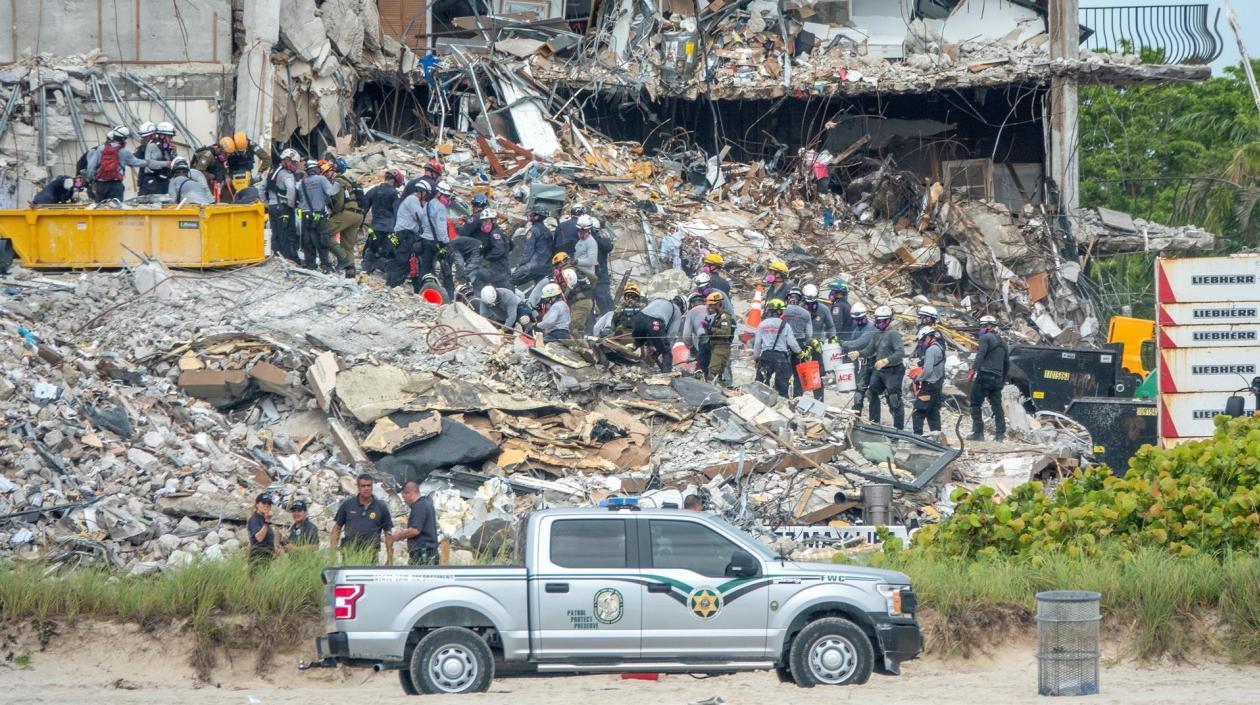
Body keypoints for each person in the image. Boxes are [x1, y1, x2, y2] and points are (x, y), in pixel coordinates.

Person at [851, 305, 905, 430]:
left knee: (894, 398)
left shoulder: (893, 334)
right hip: (880, 371)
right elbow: (870, 349)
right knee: (871, 392)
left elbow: (900, 352)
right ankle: (874, 423)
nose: (877, 323)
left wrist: (887, 360)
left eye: (880, 321)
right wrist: (859, 353)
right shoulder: (877, 333)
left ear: (887, 321)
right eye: (877, 321)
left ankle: (898, 429)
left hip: (894, 370)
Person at [329, 473, 394, 561]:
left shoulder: (381, 507)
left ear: (372, 487)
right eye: (363, 486)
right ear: (358, 488)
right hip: (349, 551)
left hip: (371, 552)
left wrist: (390, 558)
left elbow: (388, 533)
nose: (366, 488)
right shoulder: (348, 505)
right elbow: (337, 528)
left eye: (369, 485)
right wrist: (332, 554)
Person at [85, 126, 158, 202]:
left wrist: (90, 180)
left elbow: (91, 167)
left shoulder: (101, 149)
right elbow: (137, 162)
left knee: (99, 209)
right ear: (123, 139)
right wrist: (149, 162)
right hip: (116, 185)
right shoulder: (124, 152)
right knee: (116, 208)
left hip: (101, 185)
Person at [968, 315, 1009, 441]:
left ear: (989, 326)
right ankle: (1000, 435)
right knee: (997, 406)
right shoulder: (1003, 342)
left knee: (975, 403)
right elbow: (1006, 363)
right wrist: (1002, 380)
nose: (981, 328)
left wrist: (973, 370)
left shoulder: (985, 337)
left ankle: (978, 433)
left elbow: (981, 354)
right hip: (997, 378)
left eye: (983, 326)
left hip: (985, 375)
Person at [297, 159, 340, 272]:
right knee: (322, 240)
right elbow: (331, 192)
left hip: (305, 216)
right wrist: (337, 183)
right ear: (316, 169)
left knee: (308, 241)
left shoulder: (302, 183)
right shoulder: (321, 179)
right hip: (318, 216)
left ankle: (311, 265)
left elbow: (299, 199)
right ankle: (325, 266)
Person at [753, 298, 800, 396]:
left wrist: (756, 358)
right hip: (781, 357)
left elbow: (757, 344)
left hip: (766, 357)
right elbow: (792, 344)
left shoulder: (762, 324)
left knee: (760, 385)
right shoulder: (785, 325)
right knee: (782, 387)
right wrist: (799, 352)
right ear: (780, 311)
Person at [326, 159, 364, 278]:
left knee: (322, 232)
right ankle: (350, 272)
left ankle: (343, 259)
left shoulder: (338, 181)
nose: (326, 172)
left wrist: (333, 214)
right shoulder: (349, 181)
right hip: (358, 215)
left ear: (334, 169)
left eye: (329, 169)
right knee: (347, 245)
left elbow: (339, 202)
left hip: (347, 213)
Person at [362, 169, 403, 274]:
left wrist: (360, 223)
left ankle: (366, 270)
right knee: (392, 250)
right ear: (393, 181)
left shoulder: (373, 190)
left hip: (374, 228)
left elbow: (364, 208)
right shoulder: (395, 193)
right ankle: (386, 270)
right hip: (390, 230)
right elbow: (398, 213)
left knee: (371, 248)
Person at [265, 149, 301, 263]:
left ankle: (276, 257)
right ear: (286, 160)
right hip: (284, 208)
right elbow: (291, 189)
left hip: (272, 207)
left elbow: (261, 188)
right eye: (293, 162)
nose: (294, 165)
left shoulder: (272, 172)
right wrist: (291, 205)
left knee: (275, 234)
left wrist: (267, 203)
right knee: (288, 234)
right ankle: (289, 258)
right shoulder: (287, 175)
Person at [800, 284, 836, 400]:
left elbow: (831, 326)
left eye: (812, 303)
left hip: (818, 347)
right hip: (803, 347)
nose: (810, 306)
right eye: (808, 303)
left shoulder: (823, 310)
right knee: (800, 374)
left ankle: (819, 400)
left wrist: (832, 338)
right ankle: (798, 397)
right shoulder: (800, 309)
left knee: (817, 374)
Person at [389, 482, 439, 566]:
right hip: (427, 552)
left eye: (404, 497)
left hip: (423, 552)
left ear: (410, 493)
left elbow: (415, 530)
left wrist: (398, 535)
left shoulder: (419, 506)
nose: (404, 500)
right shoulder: (425, 504)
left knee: (420, 578)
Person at [390, 181, 429, 289]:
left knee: (409, 260)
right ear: (422, 192)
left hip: (404, 233)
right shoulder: (413, 199)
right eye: (426, 193)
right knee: (403, 260)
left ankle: (401, 284)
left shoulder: (411, 199)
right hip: (404, 234)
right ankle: (392, 285)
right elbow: (421, 217)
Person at [419, 180, 454, 294]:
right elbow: (441, 229)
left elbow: (423, 222)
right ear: (439, 193)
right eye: (446, 196)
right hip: (436, 243)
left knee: (425, 268)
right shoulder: (441, 208)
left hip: (425, 239)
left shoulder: (427, 204)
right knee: (445, 268)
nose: (447, 199)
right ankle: (449, 293)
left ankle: (422, 290)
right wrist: (447, 243)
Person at [842, 302, 876, 416]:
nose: (857, 321)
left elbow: (861, 342)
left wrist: (844, 343)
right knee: (859, 390)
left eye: (859, 319)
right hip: (862, 364)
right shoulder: (857, 329)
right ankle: (856, 414)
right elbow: (853, 344)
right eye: (855, 319)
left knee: (872, 392)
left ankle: (874, 418)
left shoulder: (871, 328)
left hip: (873, 363)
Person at [634, 295, 685, 372]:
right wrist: (661, 349)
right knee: (666, 351)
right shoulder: (677, 310)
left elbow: (647, 321)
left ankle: (631, 365)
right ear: (681, 306)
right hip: (655, 322)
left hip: (639, 318)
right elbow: (672, 335)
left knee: (638, 343)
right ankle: (666, 374)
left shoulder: (659, 300)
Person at [912, 327, 945, 436]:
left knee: (918, 412)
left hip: (929, 386)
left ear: (928, 337)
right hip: (937, 385)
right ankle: (937, 437)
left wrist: (918, 378)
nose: (923, 343)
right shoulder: (940, 348)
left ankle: (917, 437)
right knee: (933, 412)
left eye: (923, 340)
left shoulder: (931, 350)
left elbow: (927, 370)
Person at [783, 288, 814, 397]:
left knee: (785, 371)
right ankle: (798, 396)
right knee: (799, 373)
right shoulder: (806, 313)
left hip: (784, 343)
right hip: (800, 344)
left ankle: (783, 395)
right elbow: (809, 334)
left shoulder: (783, 310)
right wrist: (808, 345)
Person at [514, 206, 554, 287]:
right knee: (541, 288)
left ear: (537, 217)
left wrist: (520, 265)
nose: (530, 215)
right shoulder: (548, 231)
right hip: (547, 266)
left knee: (511, 280)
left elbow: (528, 252)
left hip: (534, 265)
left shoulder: (533, 231)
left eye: (532, 214)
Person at [223, 131, 272, 196]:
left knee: (249, 196)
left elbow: (267, 159)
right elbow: (220, 162)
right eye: (239, 151)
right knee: (229, 198)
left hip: (247, 175)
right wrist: (225, 175)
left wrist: (260, 173)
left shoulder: (252, 145)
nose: (241, 152)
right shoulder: (229, 145)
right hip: (231, 174)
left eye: (243, 150)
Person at [137, 121, 177, 196]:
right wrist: (165, 164)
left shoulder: (167, 148)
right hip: (152, 183)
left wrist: (174, 153)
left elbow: (172, 164)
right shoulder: (152, 146)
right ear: (162, 136)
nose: (171, 139)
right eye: (169, 137)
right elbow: (148, 163)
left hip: (164, 182)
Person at [476, 209, 512, 291]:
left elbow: (499, 250)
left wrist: (487, 259)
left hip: (497, 270)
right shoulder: (501, 231)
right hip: (504, 269)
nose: (484, 223)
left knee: (477, 274)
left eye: (486, 221)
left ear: (493, 221)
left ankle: (478, 297)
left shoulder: (494, 234)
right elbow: (511, 246)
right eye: (483, 221)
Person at [705, 291, 736, 384]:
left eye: (711, 305)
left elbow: (726, 333)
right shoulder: (717, 317)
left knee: (713, 372)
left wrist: (712, 329)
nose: (709, 308)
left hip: (722, 347)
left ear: (718, 304)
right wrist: (707, 328)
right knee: (717, 375)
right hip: (716, 347)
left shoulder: (724, 317)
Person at [558, 265, 594, 334]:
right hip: (582, 302)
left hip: (581, 303)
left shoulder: (570, 278)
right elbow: (594, 278)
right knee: (577, 327)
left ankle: (580, 343)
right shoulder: (578, 273)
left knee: (573, 328)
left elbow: (564, 297)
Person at [680, 291, 711, 371]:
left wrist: (692, 349)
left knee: (703, 365)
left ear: (691, 304)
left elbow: (686, 335)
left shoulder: (691, 312)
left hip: (702, 338)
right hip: (718, 339)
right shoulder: (711, 309)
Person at [247, 492, 276, 565]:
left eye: (269, 503)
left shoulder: (264, 519)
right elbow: (259, 538)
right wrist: (267, 522)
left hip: (267, 559)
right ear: (257, 504)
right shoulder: (255, 519)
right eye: (263, 503)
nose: (266, 505)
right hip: (257, 558)